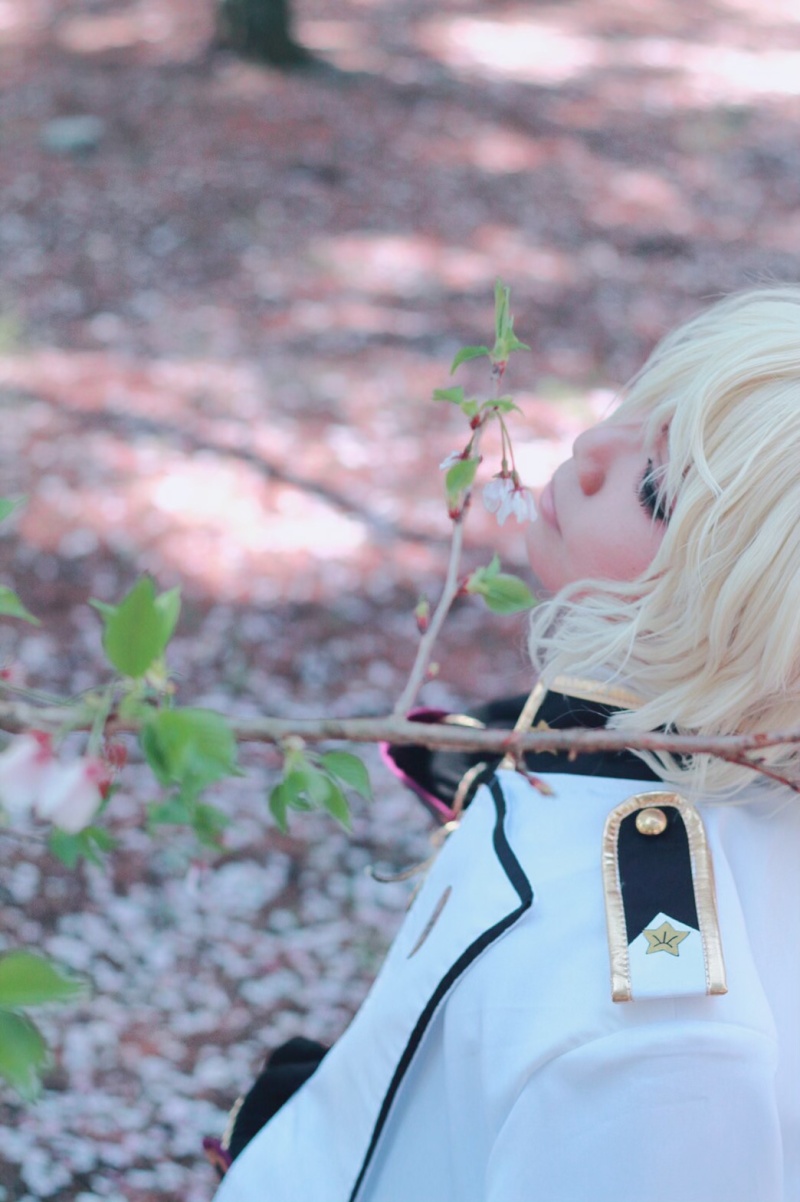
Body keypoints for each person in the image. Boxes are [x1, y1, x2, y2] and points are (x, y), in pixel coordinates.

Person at [209, 287, 800, 1201]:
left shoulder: (659, 1033)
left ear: (759, 626)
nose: (589, 450)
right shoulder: (594, 752)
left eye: (657, 490)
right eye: (639, 406)